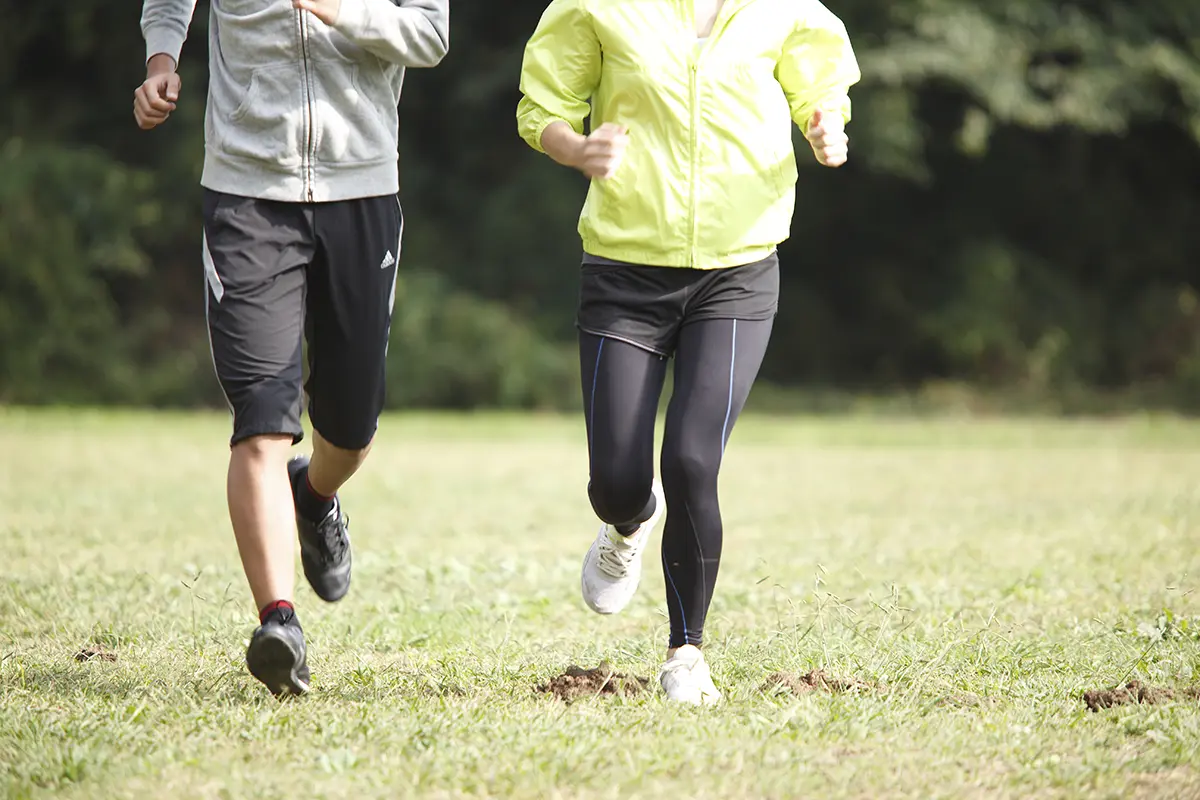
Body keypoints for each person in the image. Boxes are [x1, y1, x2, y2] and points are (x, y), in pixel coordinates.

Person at [516, 0, 860, 704]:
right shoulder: (597, 6)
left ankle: (685, 654)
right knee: (616, 478)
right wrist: (577, 149)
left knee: (693, 460)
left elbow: (819, 82)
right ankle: (625, 523)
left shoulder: (781, 8)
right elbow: (541, 106)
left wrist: (825, 123)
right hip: (622, 271)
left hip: (737, 273)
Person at [135, 0, 449, 696]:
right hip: (248, 190)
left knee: (352, 430)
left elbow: (429, 34)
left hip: (362, 185)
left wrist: (333, 8)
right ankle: (279, 624)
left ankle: (314, 495)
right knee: (261, 418)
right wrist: (162, 59)